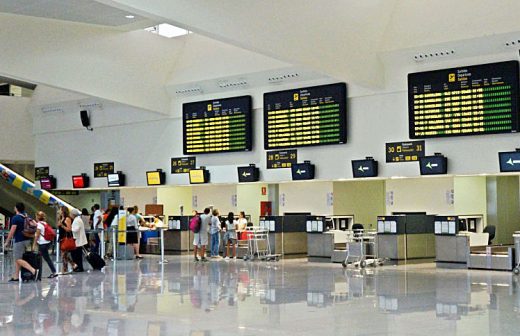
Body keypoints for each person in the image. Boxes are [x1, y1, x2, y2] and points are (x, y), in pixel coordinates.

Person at [4, 202, 39, 282]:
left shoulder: (16, 218)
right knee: (18, 258)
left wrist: (7, 241)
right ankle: (16, 277)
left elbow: (12, 231)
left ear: (16, 208)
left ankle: (33, 271)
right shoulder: (26, 216)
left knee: (17, 259)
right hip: (27, 239)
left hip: (19, 241)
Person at [32, 211, 58, 278]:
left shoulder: (39, 225)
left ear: (37, 217)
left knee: (45, 258)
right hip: (47, 242)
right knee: (45, 258)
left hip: (42, 244)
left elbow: (37, 236)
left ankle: (54, 272)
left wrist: (33, 245)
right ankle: (38, 272)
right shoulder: (45, 223)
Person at [58, 206, 77, 274]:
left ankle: (65, 269)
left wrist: (62, 226)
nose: (59, 211)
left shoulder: (67, 219)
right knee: (65, 255)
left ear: (63, 211)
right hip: (61, 238)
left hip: (66, 238)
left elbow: (69, 229)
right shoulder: (61, 218)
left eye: (60, 210)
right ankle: (73, 264)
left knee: (63, 254)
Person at [71, 208, 88, 272]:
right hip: (78, 240)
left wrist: (71, 229)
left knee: (77, 255)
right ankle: (78, 267)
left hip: (77, 240)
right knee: (78, 255)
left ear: (73, 214)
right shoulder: (78, 219)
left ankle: (79, 267)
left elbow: (76, 229)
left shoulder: (77, 220)